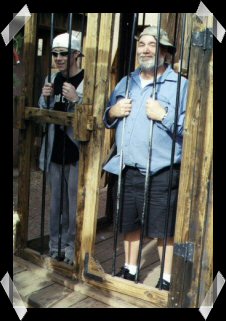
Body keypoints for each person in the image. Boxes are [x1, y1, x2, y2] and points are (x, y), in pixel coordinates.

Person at [103, 26, 188, 290]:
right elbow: (107, 117)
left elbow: (192, 129)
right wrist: (113, 111)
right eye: (142, 45)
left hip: (163, 171)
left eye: (152, 45)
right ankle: (130, 269)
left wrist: (163, 115)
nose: (146, 49)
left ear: (164, 52)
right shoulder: (126, 81)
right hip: (127, 168)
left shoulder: (180, 86)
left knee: (164, 230)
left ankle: (167, 279)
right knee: (129, 223)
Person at [39, 32, 84, 265]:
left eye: (63, 53)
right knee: (55, 203)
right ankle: (54, 246)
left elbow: (92, 119)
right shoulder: (51, 79)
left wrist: (77, 100)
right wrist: (45, 101)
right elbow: (41, 115)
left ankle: (70, 249)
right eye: (54, 53)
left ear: (76, 55)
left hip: (76, 155)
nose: (57, 58)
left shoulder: (87, 79)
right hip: (54, 152)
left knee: (74, 204)